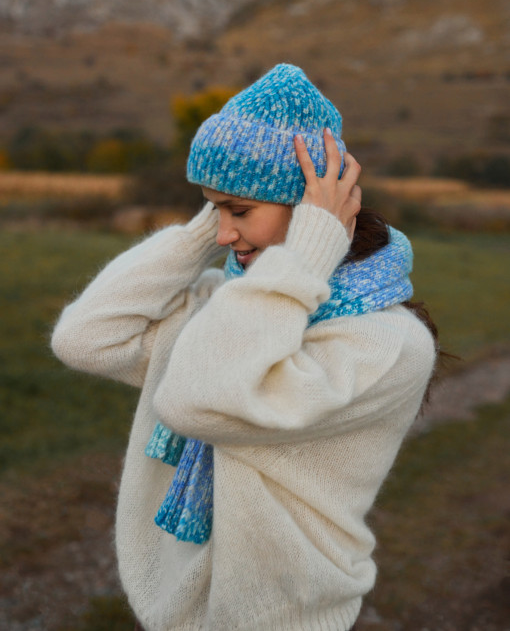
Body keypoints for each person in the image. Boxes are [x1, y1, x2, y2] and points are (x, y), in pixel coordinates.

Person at [51, 64, 437, 631]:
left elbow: (198, 401)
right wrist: (204, 233)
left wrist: (305, 249)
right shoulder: (228, 306)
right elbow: (85, 338)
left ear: (311, 207)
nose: (223, 234)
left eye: (238, 210)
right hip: (178, 612)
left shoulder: (386, 343)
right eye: (212, 209)